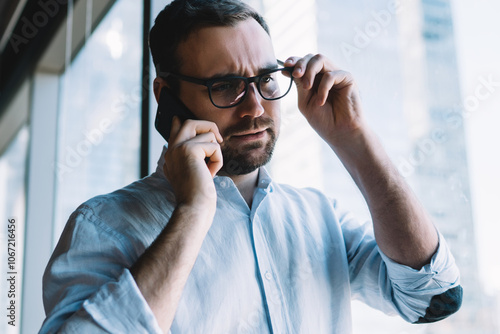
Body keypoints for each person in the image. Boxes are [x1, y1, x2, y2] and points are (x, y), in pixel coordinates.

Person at [40, 0, 463, 333]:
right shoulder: (103, 225)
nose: (256, 108)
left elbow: (435, 297)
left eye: (265, 80)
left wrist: (354, 138)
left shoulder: (319, 216)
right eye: (226, 86)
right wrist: (192, 213)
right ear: (166, 96)